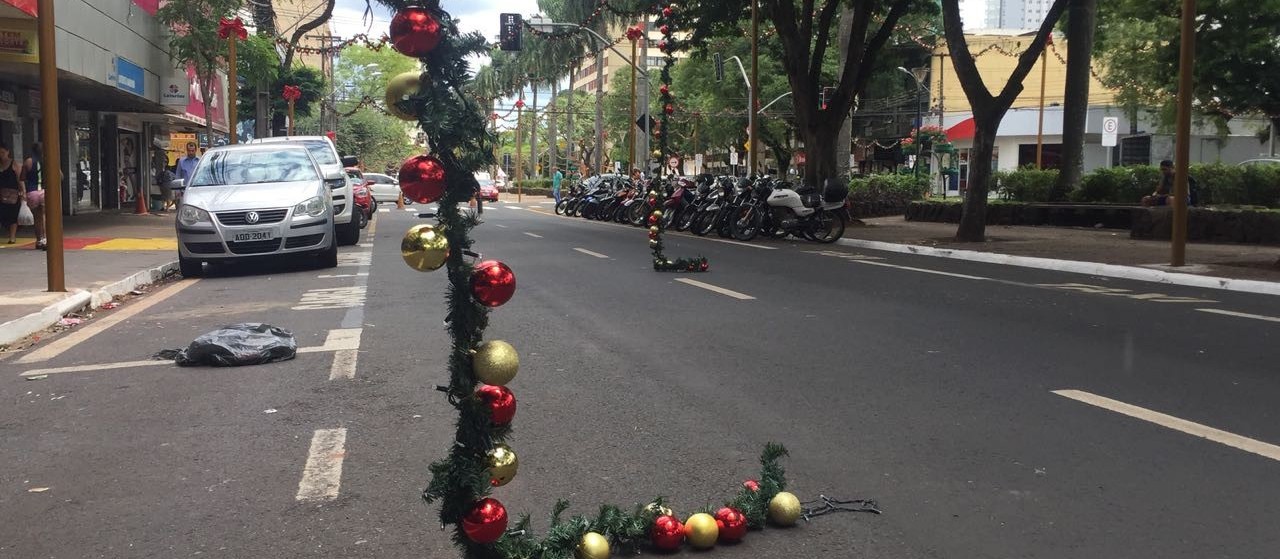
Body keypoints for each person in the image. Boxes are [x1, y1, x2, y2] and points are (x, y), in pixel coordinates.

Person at [21, 143, 45, 249]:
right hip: (45, 191)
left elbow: (22, 177)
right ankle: (46, 239)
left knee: (37, 217)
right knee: (44, 216)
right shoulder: (48, 160)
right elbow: (61, 176)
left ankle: (39, 240)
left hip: (32, 192)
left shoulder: (28, 161)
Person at [0, 143, 23, 244]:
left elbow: (20, 179)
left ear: (8, 152)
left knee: (13, 215)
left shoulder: (14, 164)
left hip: (13, 194)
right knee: (3, 215)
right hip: (1, 194)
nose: (1, 155)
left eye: (3, 152)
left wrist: (23, 191)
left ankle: (12, 237)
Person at [153, 144, 174, 211]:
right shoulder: (169, 173)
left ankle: (164, 207)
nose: (164, 162)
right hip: (167, 186)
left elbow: (157, 177)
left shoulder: (162, 172)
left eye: (165, 161)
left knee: (164, 197)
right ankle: (167, 208)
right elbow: (174, 177)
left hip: (162, 185)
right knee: (168, 197)